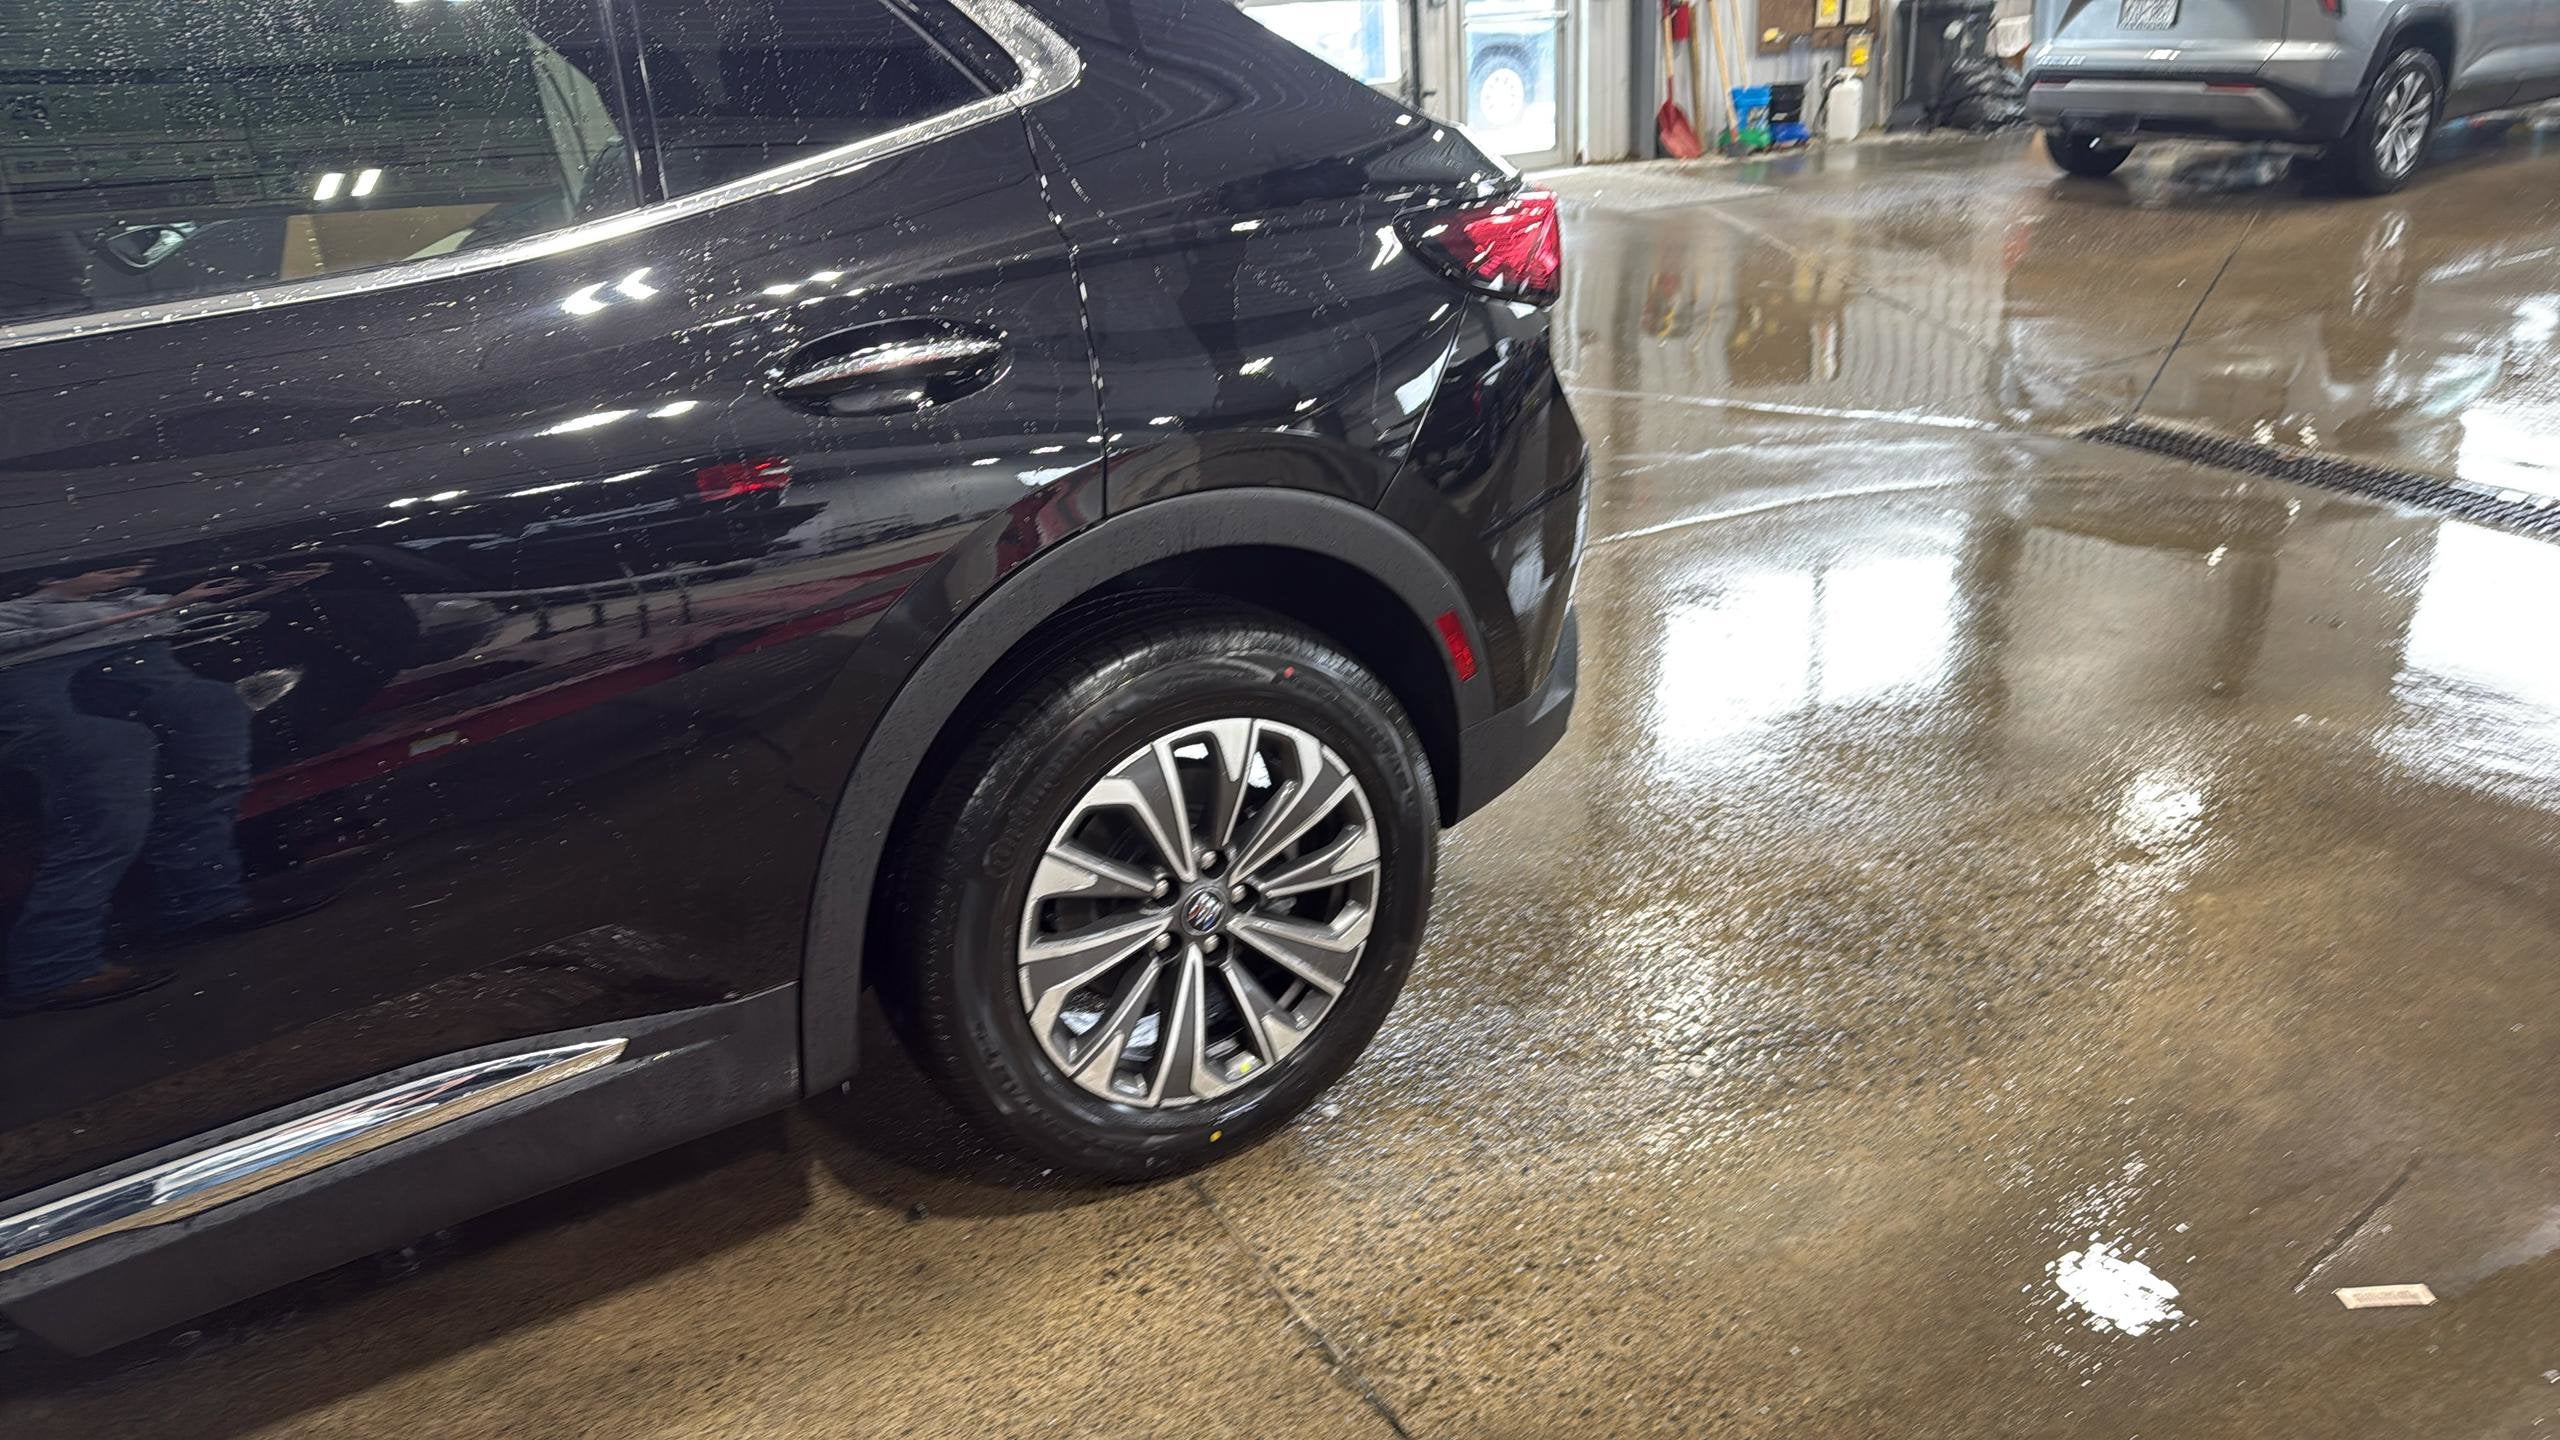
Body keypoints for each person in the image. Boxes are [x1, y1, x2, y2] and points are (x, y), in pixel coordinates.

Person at [0, 563, 324, 1015]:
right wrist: (153, 611)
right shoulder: (17, 612)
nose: (124, 576)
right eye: (111, 569)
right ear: (46, 578)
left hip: (130, 681)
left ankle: (203, 900)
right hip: (51, 705)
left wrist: (259, 589)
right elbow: (18, 645)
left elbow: (184, 615)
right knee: (106, 798)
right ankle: (53, 967)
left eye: (132, 568)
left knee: (208, 727)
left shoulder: (128, 600)